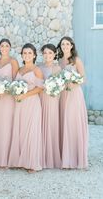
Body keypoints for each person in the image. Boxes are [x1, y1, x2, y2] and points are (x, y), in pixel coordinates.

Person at [8, 43, 43, 173]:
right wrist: (16, 94)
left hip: (32, 103)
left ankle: (32, 163)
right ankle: (20, 160)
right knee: (20, 130)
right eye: (25, 53)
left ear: (34, 55)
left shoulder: (36, 70)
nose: (27, 55)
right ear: (22, 55)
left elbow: (40, 88)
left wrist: (24, 96)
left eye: (29, 53)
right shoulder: (20, 70)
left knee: (31, 131)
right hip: (20, 104)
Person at [57, 36, 88, 169]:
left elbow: (84, 78)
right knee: (64, 121)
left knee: (72, 122)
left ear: (71, 46)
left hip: (74, 94)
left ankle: (75, 157)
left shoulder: (76, 60)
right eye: (63, 44)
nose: (65, 46)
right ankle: (65, 156)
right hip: (63, 94)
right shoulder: (59, 61)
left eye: (67, 44)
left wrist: (73, 84)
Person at [0, 38, 19, 167]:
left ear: (10, 47)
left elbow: (17, 80)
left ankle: (7, 157)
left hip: (9, 97)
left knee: (8, 124)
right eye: (2, 45)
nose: (4, 47)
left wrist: (6, 89)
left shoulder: (13, 61)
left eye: (7, 45)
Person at [39, 44, 61, 169]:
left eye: (50, 53)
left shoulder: (57, 68)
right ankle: (40, 155)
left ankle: (50, 157)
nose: (47, 55)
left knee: (51, 124)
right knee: (40, 124)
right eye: (45, 53)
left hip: (52, 99)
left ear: (54, 54)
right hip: (40, 98)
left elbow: (59, 85)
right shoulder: (39, 67)